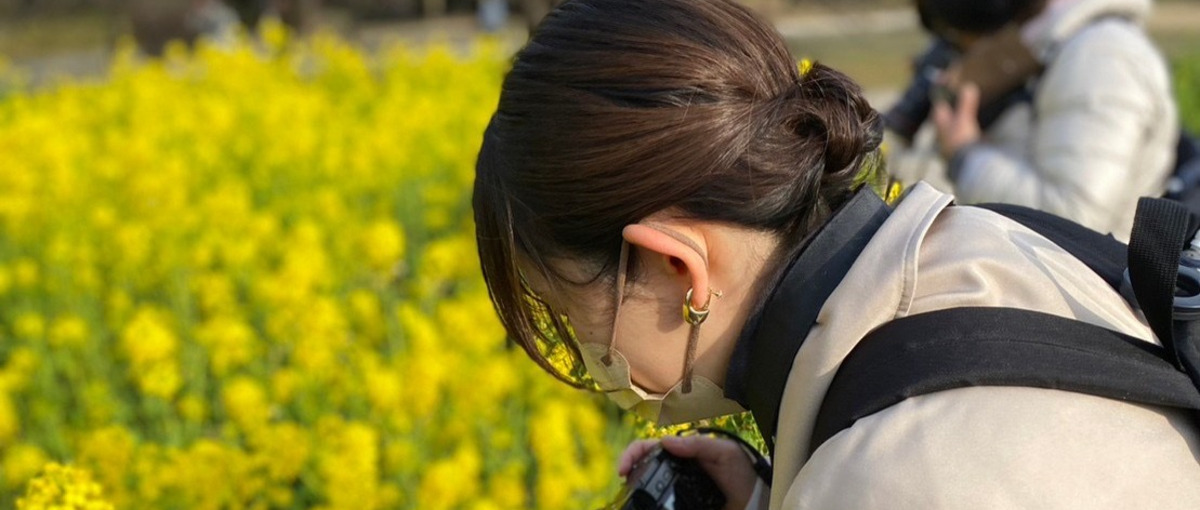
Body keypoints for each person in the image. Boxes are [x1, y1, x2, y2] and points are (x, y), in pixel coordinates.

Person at [472, 0, 1200, 508]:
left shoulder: (885, 480)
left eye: (572, 331)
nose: (595, 363)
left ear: (678, 269)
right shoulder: (984, 240)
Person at [890, 0, 1178, 242]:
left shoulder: (1101, 55)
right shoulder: (1041, 44)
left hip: (1080, 295)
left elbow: (1076, 218)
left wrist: (966, 156)